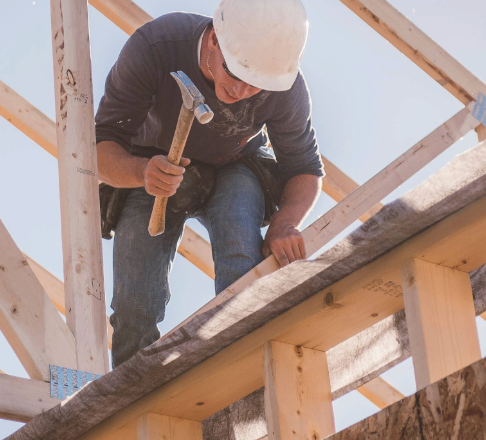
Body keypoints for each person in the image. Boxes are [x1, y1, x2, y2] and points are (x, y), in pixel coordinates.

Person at [96, 0, 323, 367]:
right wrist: (141, 172)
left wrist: (284, 223)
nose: (243, 91)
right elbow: (99, 147)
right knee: (134, 305)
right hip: (154, 166)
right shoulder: (156, 47)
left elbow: (305, 168)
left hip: (236, 167)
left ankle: (246, 380)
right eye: (236, 74)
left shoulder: (286, 86)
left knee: (242, 276)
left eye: (257, 85)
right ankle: (132, 408)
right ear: (215, 39)